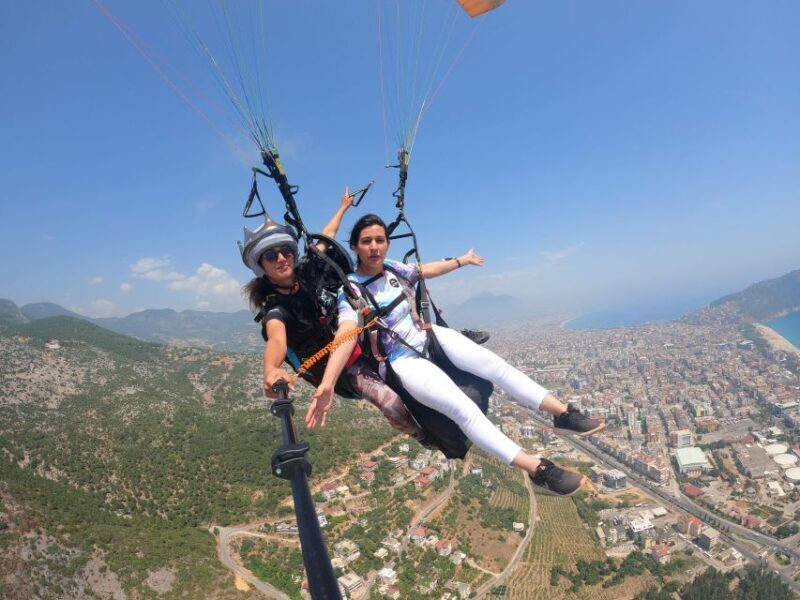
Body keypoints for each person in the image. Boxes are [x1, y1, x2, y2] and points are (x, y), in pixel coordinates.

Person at [306, 214, 606, 497]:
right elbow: (346, 333)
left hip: (428, 337)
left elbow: (425, 271)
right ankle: (538, 470)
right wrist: (329, 382)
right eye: (367, 241)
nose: (374, 247)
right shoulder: (352, 291)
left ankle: (563, 414)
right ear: (355, 246)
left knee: (495, 365)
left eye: (380, 240)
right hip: (402, 360)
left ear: (387, 243)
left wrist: (462, 261)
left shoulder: (395, 270)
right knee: (463, 410)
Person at [240, 190, 431, 444]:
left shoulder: (307, 271)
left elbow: (325, 237)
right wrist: (271, 370)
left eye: (285, 251)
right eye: (271, 256)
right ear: (260, 265)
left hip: (359, 340)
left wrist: (343, 208)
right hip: (341, 370)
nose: (281, 259)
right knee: (391, 401)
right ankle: (424, 435)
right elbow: (276, 340)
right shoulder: (276, 310)